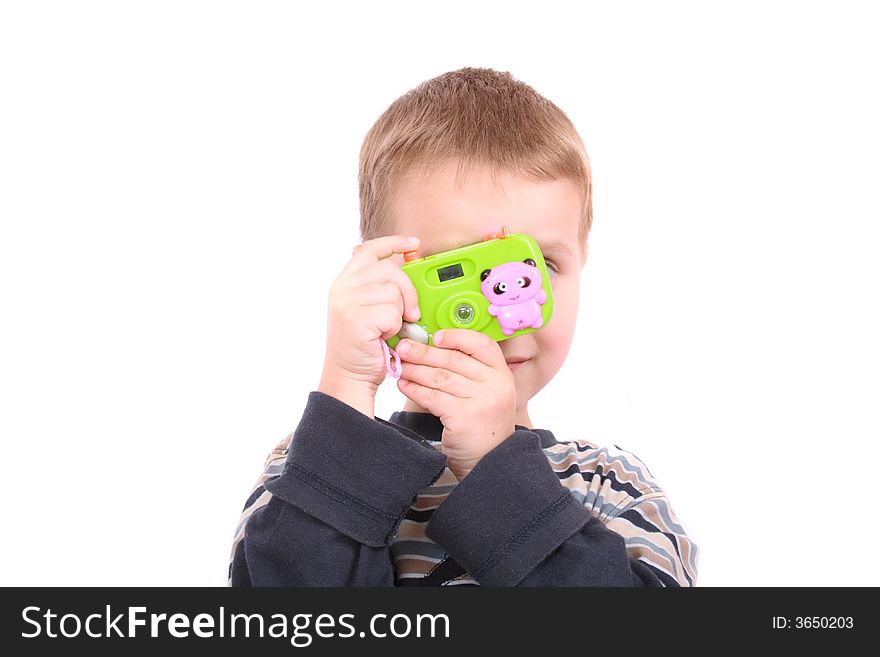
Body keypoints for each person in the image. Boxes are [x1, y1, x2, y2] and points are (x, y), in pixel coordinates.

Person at [228, 67, 698, 586]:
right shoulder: (308, 468)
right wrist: (345, 392)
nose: (503, 313)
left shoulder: (610, 487)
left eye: (539, 266)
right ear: (382, 278)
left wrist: (496, 467)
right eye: (455, 272)